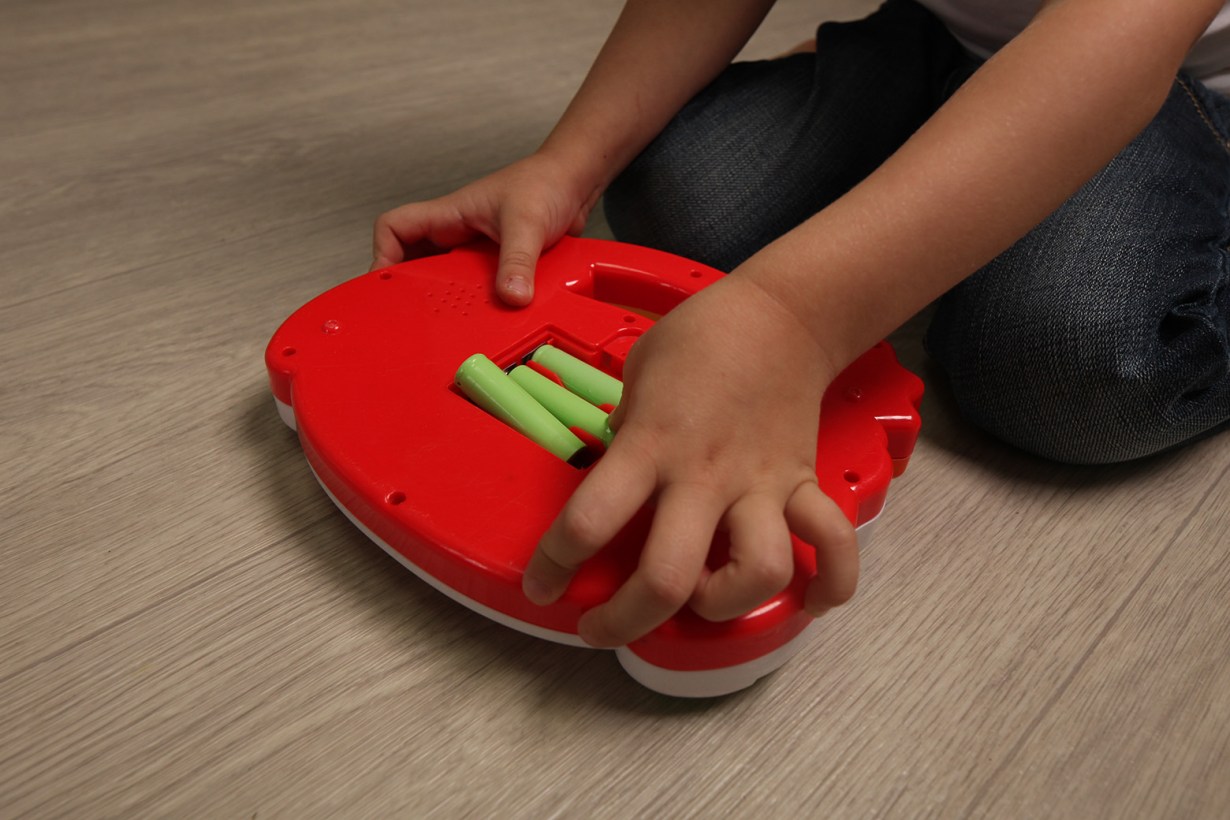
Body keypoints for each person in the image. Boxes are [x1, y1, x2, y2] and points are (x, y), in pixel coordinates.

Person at [371, 0, 1230, 649]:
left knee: (1065, 363)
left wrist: (789, 319)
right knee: (683, 204)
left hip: (1159, 67)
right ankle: (926, 116)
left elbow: (1120, 32)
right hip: (945, 36)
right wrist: (568, 161)